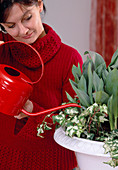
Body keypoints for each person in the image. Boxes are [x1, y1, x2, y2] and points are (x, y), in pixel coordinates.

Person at [0, 0, 83, 169]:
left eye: (27, 18)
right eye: (10, 25)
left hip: (54, 163)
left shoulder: (70, 58)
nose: (23, 31)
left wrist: (33, 112)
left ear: (39, 4)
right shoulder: (3, 50)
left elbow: (76, 123)